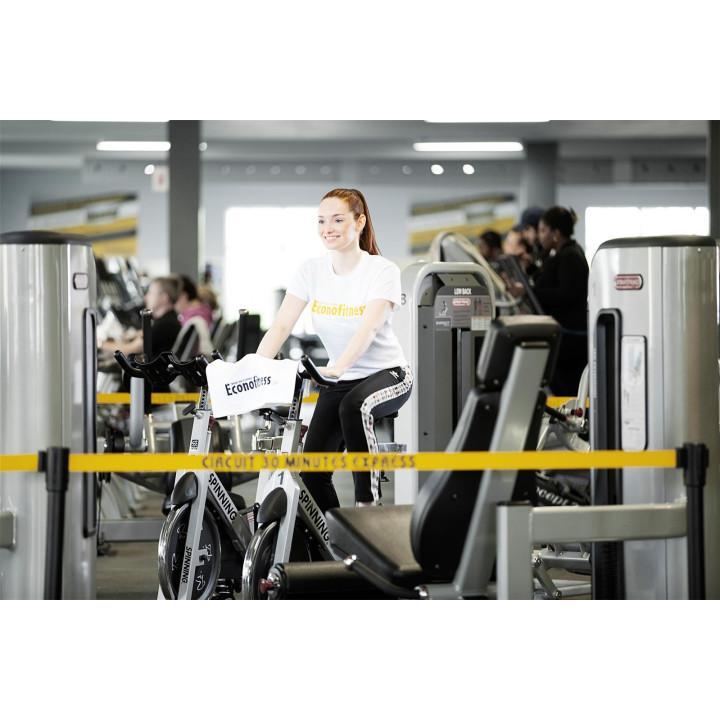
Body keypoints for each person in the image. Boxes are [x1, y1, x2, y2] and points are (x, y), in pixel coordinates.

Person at [255, 188, 413, 510]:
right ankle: (334, 533)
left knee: (355, 406)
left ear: (359, 222)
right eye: (322, 221)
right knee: (312, 474)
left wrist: (339, 367)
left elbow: (369, 328)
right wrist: (255, 369)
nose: (328, 228)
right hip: (339, 379)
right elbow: (281, 326)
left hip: (389, 374)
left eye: (338, 220)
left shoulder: (382, 271)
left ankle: (368, 511)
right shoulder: (311, 271)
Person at [507, 206, 588, 395]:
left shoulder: (570, 256)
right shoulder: (560, 254)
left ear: (556, 234)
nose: (540, 236)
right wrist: (530, 269)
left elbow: (565, 294)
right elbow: (549, 280)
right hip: (563, 337)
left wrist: (528, 291)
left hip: (569, 340)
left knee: (566, 389)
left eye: (543, 231)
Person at [101, 275, 181, 357]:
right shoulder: (169, 320)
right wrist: (134, 335)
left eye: (151, 292)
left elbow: (128, 350)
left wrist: (99, 343)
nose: (146, 297)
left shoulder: (165, 325)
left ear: (164, 297)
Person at [174, 274, 214, 355]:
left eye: (173, 297)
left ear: (183, 296)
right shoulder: (203, 311)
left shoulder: (195, 318)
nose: (173, 303)